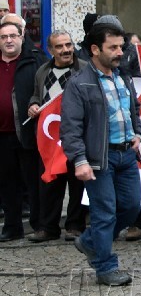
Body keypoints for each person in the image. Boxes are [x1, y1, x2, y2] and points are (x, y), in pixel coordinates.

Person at [61, 21, 141, 286]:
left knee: (131, 207)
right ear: (95, 49)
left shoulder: (123, 77)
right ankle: (106, 267)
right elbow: (70, 127)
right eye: (114, 47)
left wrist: (138, 134)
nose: (120, 52)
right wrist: (80, 160)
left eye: (121, 46)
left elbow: (134, 110)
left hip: (126, 155)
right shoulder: (79, 84)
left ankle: (89, 241)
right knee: (105, 212)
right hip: (99, 159)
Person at [27, 30, 86, 242]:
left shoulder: (85, 69)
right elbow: (36, 95)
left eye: (68, 45)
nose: (66, 50)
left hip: (77, 137)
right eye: (59, 47)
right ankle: (48, 227)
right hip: (51, 139)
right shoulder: (42, 71)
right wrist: (33, 105)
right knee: (50, 184)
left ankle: (75, 226)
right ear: (50, 50)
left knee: (77, 183)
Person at [0, 16, 46, 240]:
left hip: (27, 132)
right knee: (7, 185)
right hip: (2, 135)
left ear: (21, 37)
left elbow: (46, 92)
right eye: (3, 37)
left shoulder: (35, 60)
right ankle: (12, 227)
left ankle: (39, 226)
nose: (8, 40)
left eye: (12, 36)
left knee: (32, 182)